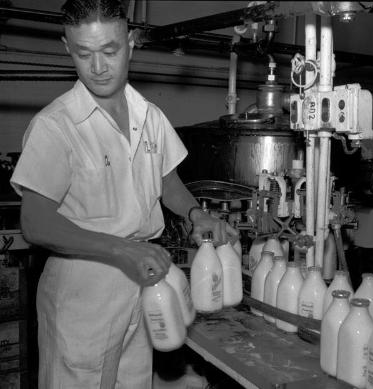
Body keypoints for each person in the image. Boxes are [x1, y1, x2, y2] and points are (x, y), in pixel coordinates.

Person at [10, 0, 238, 387]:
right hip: (85, 286)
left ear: (131, 42)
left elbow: (167, 183)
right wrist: (120, 249)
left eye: (109, 51)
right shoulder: (56, 125)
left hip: (145, 280)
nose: (98, 67)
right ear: (67, 47)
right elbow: (34, 221)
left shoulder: (149, 114)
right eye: (84, 53)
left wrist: (196, 214)